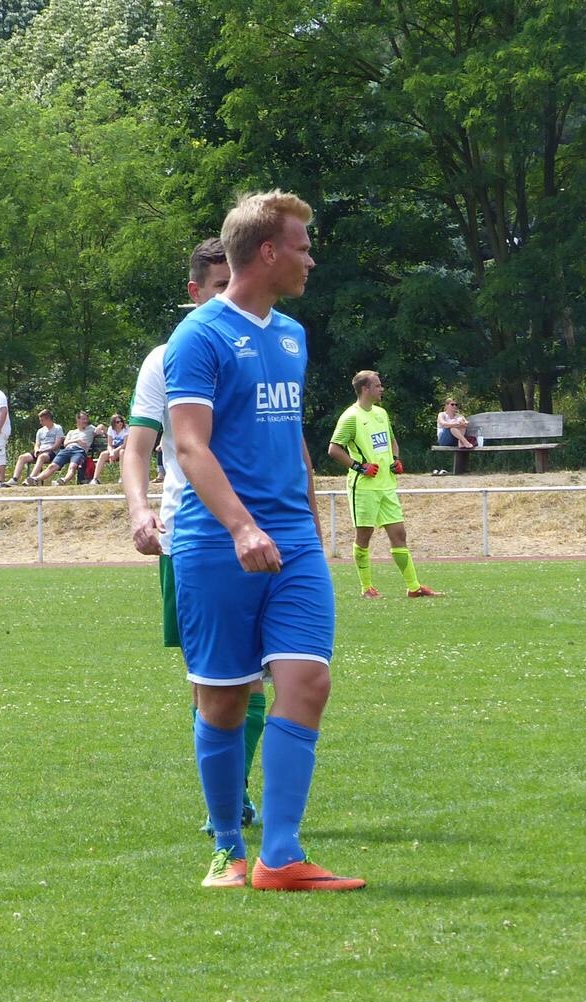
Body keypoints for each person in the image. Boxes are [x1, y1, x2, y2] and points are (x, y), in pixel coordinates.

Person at [165, 190, 363, 891]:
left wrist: (307, 521)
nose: (311, 259)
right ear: (269, 251)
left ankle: (279, 854)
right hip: (219, 544)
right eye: (303, 246)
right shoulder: (199, 337)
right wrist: (241, 525)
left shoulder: (293, 336)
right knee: (223, 700)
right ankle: (227, 846)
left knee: (308, 681)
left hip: (294, 542)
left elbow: (290, 438)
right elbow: (190, 446)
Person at [123, 237, 266, 837]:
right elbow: (138, 446)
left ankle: (231, 796)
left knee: (262, 676)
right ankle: (228, 802)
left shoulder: (271, 345)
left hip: (266, 532)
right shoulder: (167, 358)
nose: (230, 296)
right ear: (194, 292)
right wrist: (140, 510)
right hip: (194, 537)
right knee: (213, 678)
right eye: (218, 286)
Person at [329, 369, 442, 600]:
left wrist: (395, 459)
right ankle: (366, 588)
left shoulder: (381, 413)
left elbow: (392, 441)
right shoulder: (351, 417)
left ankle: (414, 587)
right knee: (364, 536)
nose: (382, 389)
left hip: (386, 486)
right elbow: (334, 449)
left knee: (399, 534)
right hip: (364, 488)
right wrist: (360, 467)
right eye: (378, 385)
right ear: (365, 389)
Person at [36, 410, 98, 486]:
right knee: (52, 466)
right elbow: (65, 444)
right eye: (83, 419)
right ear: (78, 420)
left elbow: (102, 428)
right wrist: (76, 440)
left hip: (79, 451)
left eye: (86, 419)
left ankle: (64, 480)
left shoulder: (91, 429)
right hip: (67, 450)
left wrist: (100, 427)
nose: (85, 421)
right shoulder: (71, 432)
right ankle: (36, 479)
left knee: (73, 466)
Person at [13, 409, 62, 485]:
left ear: (48, 419)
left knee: (42, 457)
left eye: (42, 420)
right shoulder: (40, 431)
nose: (40, 423)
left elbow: (57, 445)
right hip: (40, 451)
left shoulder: (57, 428)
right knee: (22, 457)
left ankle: (31, 479)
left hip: (51, 452)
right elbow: (37, 444)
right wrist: (36, 450)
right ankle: (14, 479)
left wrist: (44, 451)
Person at [89, 414, 129, 485]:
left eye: (121, 421)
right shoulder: (111, 429)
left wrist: (114, 451)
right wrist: (111, 452)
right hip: (114, 450)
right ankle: (95, 479)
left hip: (124, 450)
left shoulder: (126, 429)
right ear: (113, 423)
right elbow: (109, 445)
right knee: (103, 454)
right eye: (118, 422)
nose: (120, 423)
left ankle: (122, 477)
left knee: (122, 452)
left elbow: (125, 444)